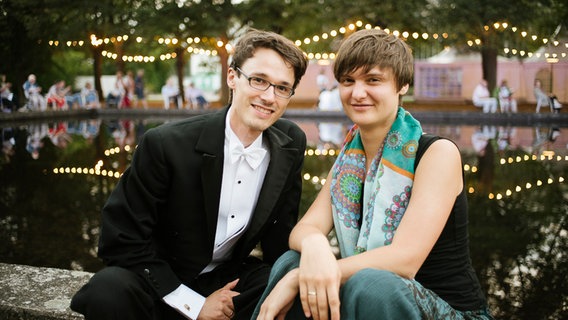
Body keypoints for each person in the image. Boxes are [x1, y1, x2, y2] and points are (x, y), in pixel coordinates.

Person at [70, 28, 309, 320]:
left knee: (299, 292)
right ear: (232, 77)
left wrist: (293, 277)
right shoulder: (166, 144)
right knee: (107, 291)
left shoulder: (290, 142)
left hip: (228, 279)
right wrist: (193, 305)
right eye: (258, 80)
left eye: (282, 88)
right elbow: (120, 240)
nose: (269, 97)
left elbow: (280, 237)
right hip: (159, 277)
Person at [254, 29, 492, 320]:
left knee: (368, 284)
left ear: (402, 84)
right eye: (348, 81)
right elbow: (304, 230)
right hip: (369, 295)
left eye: (373, 80)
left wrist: (301, 277)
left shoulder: (436, 153)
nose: (357, 93)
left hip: (448, 310)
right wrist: (315, 246)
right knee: (293, 260)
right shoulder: (348, 160)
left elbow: (405, 260)